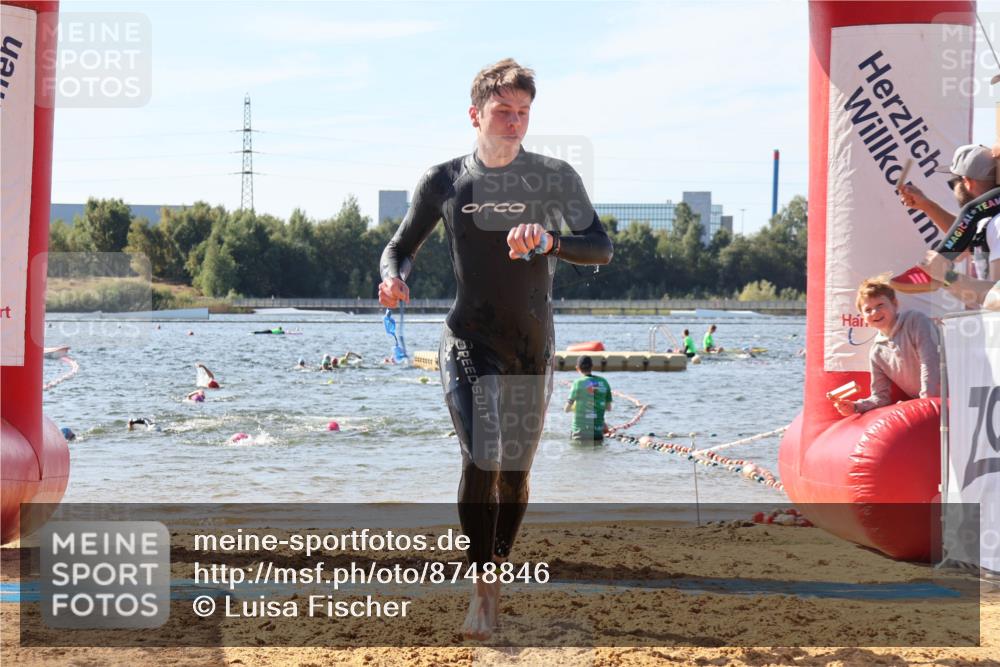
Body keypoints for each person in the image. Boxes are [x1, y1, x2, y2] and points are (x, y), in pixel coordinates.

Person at [377, 58, 612, 640]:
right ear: (475, 114)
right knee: (482, 454)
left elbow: (601, 248)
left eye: (524, 113)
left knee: (515, 473)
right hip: (468, 338)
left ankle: (495, 575)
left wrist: (551, 240)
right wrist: (392, 277)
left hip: (532, 344)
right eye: (503, 111)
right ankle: (481, 594)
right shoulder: (444, 181)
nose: (514, 123)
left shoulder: (554, 177)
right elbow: (400, 246)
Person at [892, 144, 1000, 292]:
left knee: (971, 210)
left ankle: (932, 267)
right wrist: (927, 206)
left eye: (952, 183)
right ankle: (933, 268)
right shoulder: (989, 224)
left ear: (967, 181)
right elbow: (964, 240)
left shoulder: (997, 224)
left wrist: (946, 277)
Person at [832, 276, 940, 416]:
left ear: (895, 304)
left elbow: (929, 363)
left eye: (880, 305)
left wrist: (925, 403)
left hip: (946, 397)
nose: (875, 313)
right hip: (924, 404)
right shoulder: (877, 353)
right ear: (863, 317)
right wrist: (856, 407)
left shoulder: (915, 321)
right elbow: (880, 397)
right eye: (868, 310)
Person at [564, 356, 612, 442]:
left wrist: (576, 407)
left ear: (577, 368)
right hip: (597, 433)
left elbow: (566, 410)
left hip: (579, 433)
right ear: (592, 366)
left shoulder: (578, 383)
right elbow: (608, 408)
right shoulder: (604, 382)